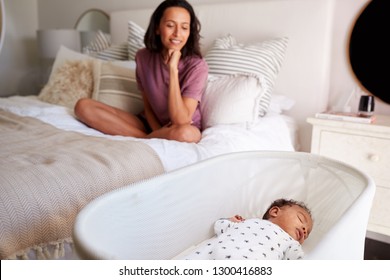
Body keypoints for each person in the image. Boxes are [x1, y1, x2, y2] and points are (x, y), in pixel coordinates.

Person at [74, 0, 208, 143]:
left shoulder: (198, 66)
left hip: (182, 128)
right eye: (170, 25)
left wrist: (173, 70)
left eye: (184, 28)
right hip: (151, 124)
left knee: (186, 135)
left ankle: (144, 138)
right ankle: (147, 139)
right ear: (157, 28)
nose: (177, 34)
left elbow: (181, 121)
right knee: (83, 106)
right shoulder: (143, 57)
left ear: (189, 32)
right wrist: (157, 131)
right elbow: (148, 107)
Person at [182, 198, 313, 260]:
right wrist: (230, 220)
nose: (304, 229)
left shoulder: (290, 242)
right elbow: (220, 226)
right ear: (274, 212)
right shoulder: (249, 222)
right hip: (212, 255)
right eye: (301, 219)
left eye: (306, 233)